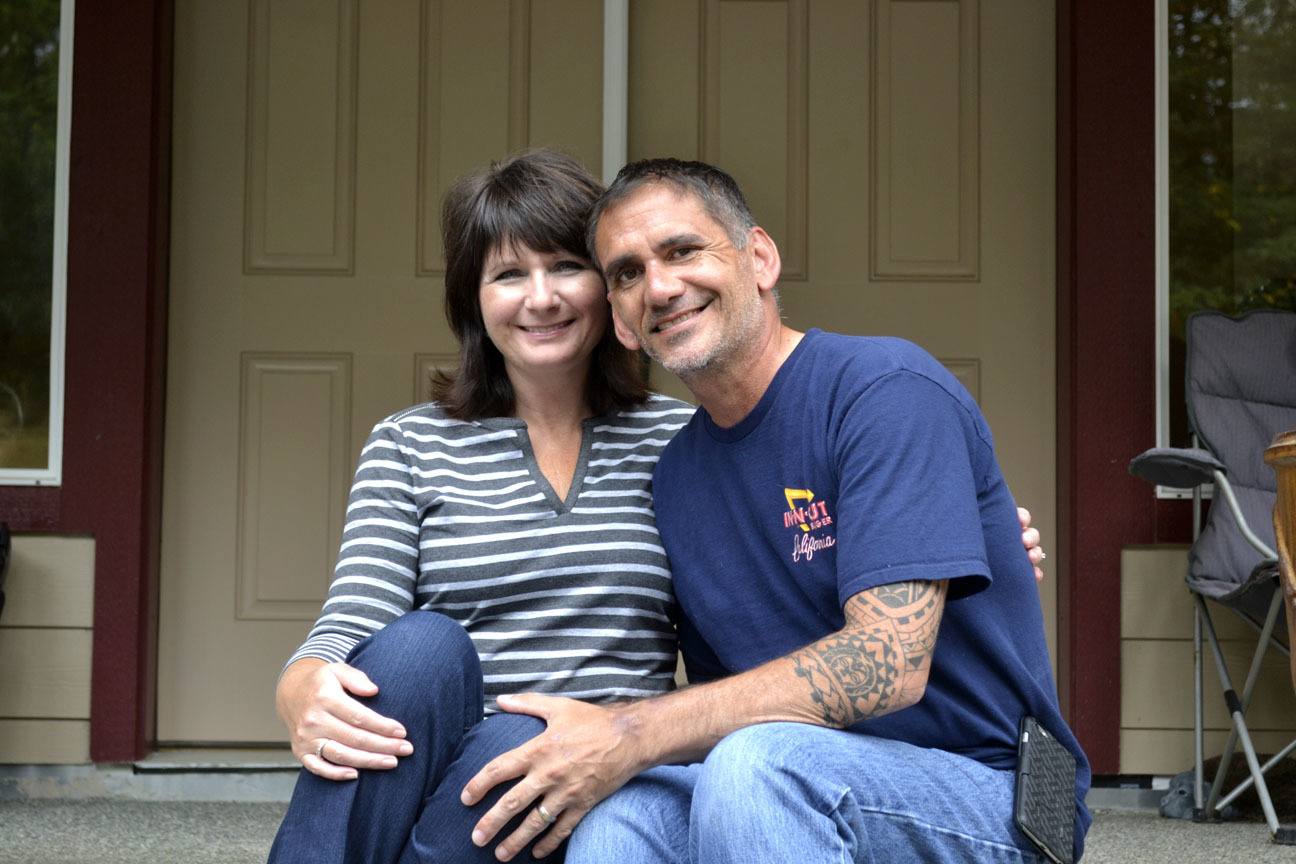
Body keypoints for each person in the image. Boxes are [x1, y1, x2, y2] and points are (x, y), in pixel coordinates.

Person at [267, 150, 1047, 864]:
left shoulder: (802, 410)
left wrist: (955, 531)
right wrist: (302, 679)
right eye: (631, 271)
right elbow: (356, 616)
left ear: (760, 257)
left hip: (954, 781)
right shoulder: (669, 465)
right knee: (455, 687)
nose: (660, 287)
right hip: (492, 767)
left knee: (731, 766)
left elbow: (879, 648)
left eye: (680, 252)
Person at [266, 150, 695, 863]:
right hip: (438, 773)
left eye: (565, 266)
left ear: (610, 283)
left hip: (596, 776)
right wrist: (301, 681)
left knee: (520, 738)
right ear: (474, 302)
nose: (541, 297)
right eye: (508, 275)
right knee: (420, 647)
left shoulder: (679, 442)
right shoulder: (410, 443)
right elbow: (356, 615)